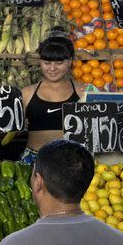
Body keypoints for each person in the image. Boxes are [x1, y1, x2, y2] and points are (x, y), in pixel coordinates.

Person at [19, 28, 85, 164]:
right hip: (34, 160)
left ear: (70, 61)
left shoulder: (83, 91)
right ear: (40, 62)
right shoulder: (27, 93)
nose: (52, 68)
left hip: (72, 160)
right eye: (47, 63)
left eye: (59, 63)